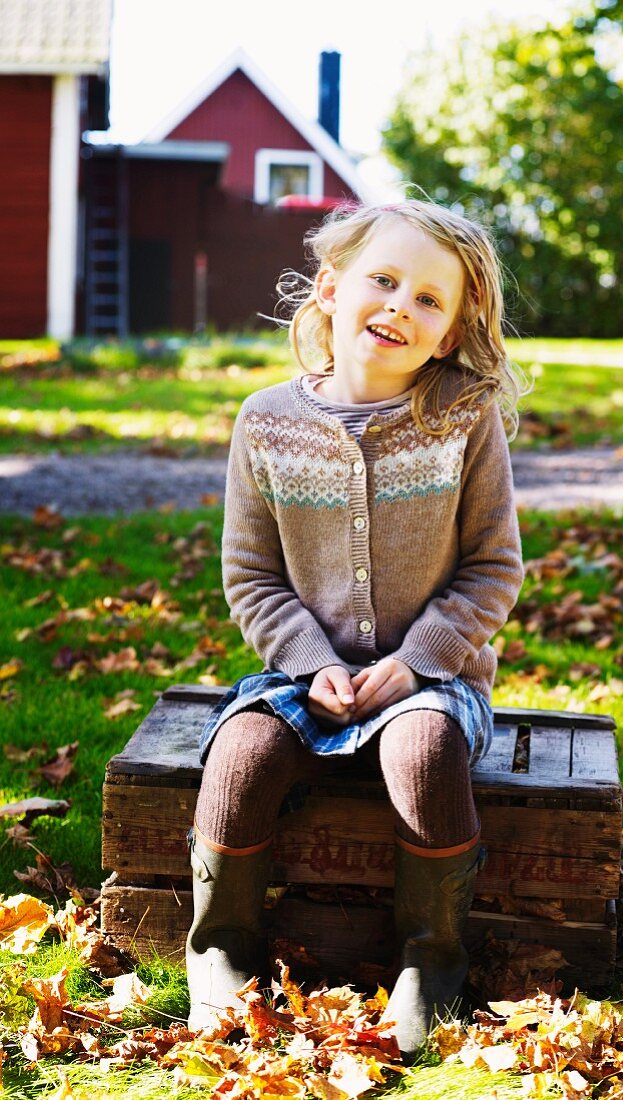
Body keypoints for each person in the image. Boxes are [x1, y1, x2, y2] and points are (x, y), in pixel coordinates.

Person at [185, 198, 525, 1058]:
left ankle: (429, 960)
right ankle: (220, 948)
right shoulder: (265, 421)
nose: (398, 307)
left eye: (427, 300)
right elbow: (251, 577)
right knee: (243, 752)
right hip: (308, 674)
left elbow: (494, 568)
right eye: (382, 281)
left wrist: (420, 662)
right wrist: (305, 663)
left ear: (449, 334)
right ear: (330, 289)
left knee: (422, 752)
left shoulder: (460, 418)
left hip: (433, 678)